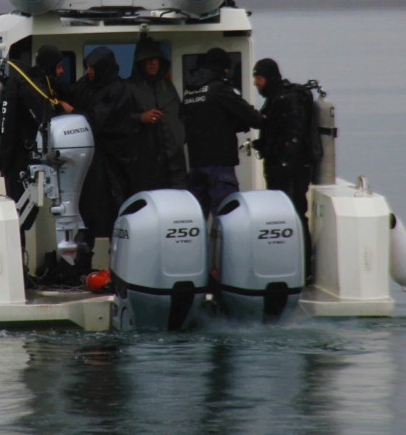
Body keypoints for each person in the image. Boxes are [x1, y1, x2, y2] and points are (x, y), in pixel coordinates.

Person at [251, 57, 315, 281]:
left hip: (291, 170)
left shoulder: (287, 99)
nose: (255, 83)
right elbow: (277, 132)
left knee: (296, 214)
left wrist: (286, 163)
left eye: (258, 78)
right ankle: (287, 263)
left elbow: (294, 135)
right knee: (282, 218)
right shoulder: (274, 99)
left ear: (268, 78)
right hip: (280, 167)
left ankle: (304, 267)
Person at [181, 47, 262, 215]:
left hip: (196, 163)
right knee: (227, 214)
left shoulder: (189, 90)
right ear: (221, 68)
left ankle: (201, 242)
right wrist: (265, 120)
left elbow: (185, 117)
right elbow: (249, 116)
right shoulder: (219, 88)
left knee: (195, 216)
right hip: (219, 164)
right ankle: (225, 242)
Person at [72, 46, 138, 243]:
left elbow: (98, 118)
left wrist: (72, 112)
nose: (88, 72)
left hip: (114, 159)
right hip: (92, 160)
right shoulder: (87, 84)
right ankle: (82, 263)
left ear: (102, 68)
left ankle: (117, 257)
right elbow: (71, 92)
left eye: (91, 68)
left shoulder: (118, 90)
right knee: (87, 209)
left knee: (116, 208)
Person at [0, 44, 73, 202]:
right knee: (23, 208)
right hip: (18, 159)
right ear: (49, 66)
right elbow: (45, 112)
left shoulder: (40, 81)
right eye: (59, 67)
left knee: (27, 208)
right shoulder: (30, 86)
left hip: (23, 156)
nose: (62, 71)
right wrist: (61, 106)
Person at [126, 36, 187, 193]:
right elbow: (118, 120)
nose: (153, 62)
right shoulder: (129, 87)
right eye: (148, 59)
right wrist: (140, 117)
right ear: (140, 62)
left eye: (156, 59)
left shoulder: (167, 85)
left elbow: (180, 114)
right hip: (146, 164)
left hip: (175, 162)